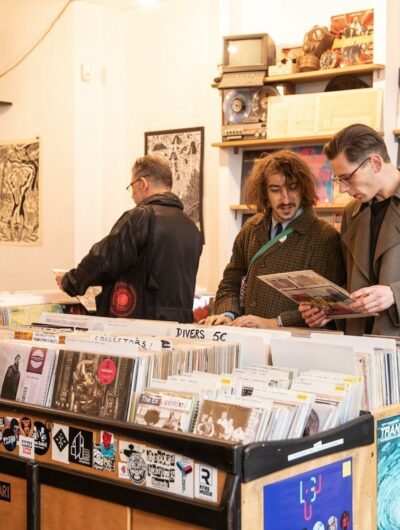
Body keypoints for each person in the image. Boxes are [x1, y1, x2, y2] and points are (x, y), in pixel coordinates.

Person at [201, 150, 345, 328]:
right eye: (275, 190)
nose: (285, 199)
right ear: (265, 193)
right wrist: (227, 314)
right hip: (250, 339)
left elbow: (327, 306)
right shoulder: (251, 228)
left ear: (303, 189)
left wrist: (276, 322)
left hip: (296, 345)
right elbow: (230, 282)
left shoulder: (324, 236)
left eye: (292, 188)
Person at [56, 154, 203, 323]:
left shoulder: (141, 216)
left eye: (131, 186)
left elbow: (105, 258)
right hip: (180, 325)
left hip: (139, 323)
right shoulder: (191, 227)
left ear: (143, 183)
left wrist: (71, 281)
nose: (132, 194)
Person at [300, 124, 400, 336]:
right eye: (338, 179)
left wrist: (394, 294)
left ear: (374, 163)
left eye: (347, 177)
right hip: (359, 347)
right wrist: (327, 310)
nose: (343, 189)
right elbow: (350, 284)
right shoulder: (351, 213)